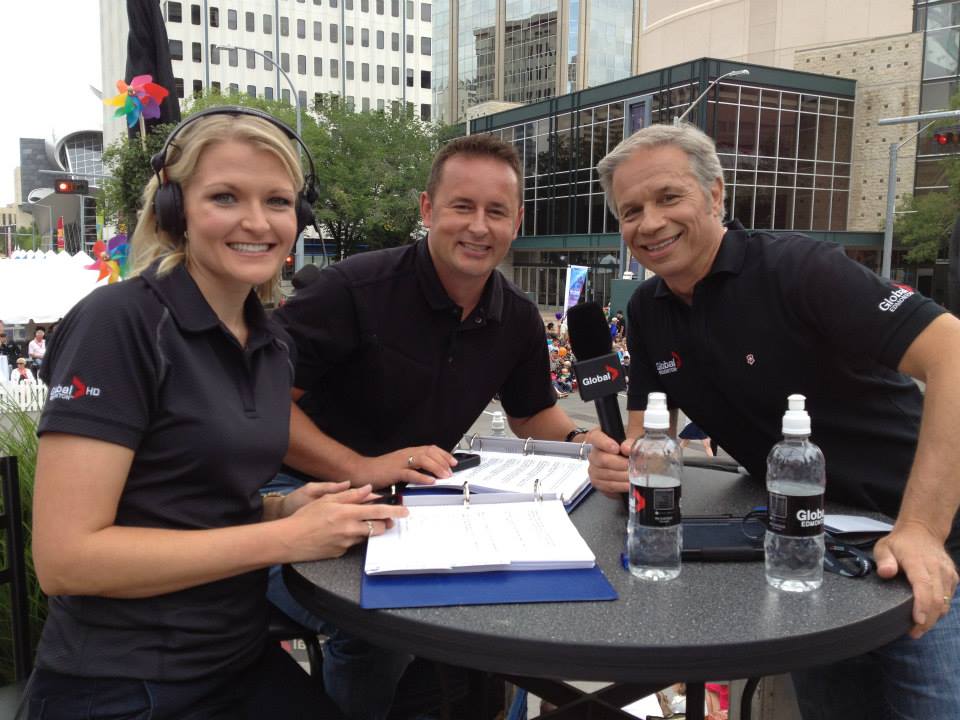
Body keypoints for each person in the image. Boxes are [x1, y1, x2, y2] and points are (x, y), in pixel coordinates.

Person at [22, 108, 406, 720]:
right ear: (176, 211)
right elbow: (66, 560)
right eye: (225, 197)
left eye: (278, 201)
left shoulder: (271, 341)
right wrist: (282, 537)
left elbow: (187, 499)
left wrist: (284, 505)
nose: (257, 221)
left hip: (235, 659)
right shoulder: (118, 322)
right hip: (122, 682)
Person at [587, 122, 960, 719]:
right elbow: (644, 438)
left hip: (921, 542)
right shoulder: (647, 311)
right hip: (803, 550)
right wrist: (617, 460)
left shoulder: (798, 268)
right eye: (630, 211)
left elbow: (953, 351)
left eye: (668, 197)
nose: (649, 223)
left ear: (715, 195)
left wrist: (922, 526)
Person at [270, 133, 587, 720]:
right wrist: (360, 468)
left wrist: (586, 444)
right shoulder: (350, 291)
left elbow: (530, 415)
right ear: (427, 210)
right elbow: (261, 407)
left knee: (515, 606)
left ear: (517, 221)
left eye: (496, 212)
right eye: (462, 206)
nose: (479, 226)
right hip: (295, 500)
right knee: (379, 626)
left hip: (422, 505)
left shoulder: (516, 316)